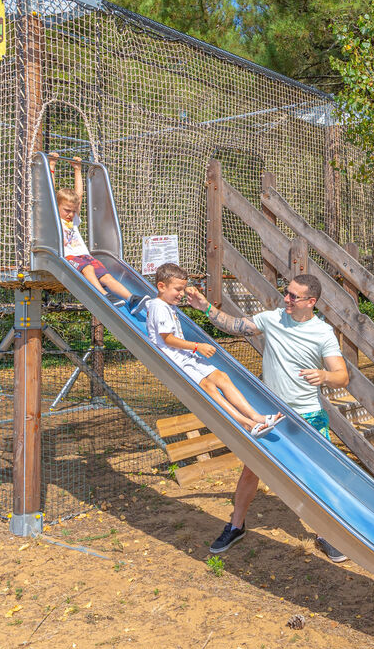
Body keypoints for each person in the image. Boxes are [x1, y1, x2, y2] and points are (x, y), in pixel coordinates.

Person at [185, 272, 351, 563]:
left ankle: (326, 533)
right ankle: (236, 526)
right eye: (286, 292)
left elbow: (342, 376)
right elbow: (235, 326)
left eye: (294, 296)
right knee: (252, 469)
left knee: (316, 476)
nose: (286, 299)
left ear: (311, 302)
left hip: (308, 415)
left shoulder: (323, 333)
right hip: (272, 413)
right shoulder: (272, 319)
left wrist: (324, 375)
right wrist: (205, 307)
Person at [147, 264, 283, 437]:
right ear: (161, 286)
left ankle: (256, 416)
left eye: (183, 289)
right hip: (174, 361)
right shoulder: (159, 306)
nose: (181, 294)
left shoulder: (167, 304)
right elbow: (168, 339)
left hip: (185, 357)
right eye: (178, 289)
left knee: (221, 377)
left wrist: (189, 291)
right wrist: (197, 346)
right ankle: (246, 424)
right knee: (208, 386)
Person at [49, 153, 141, 308]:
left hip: (84, 255)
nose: (71, 214)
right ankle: (104, 295)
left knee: (106, 276)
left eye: (73, 211)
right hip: (68, 257)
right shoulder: (55, 219)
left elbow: (79, 196)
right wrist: (51, 166)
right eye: (67, 210)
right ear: (57, 206)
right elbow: (49, 195)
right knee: (88, 268)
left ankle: (131, 298)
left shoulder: (73, 220)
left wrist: (77, 170)